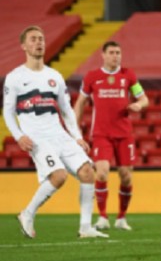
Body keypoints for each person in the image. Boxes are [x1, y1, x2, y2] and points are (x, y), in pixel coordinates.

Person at [2, 26, 108, 239]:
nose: (38, 42)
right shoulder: (15, 77)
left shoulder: (55, 76)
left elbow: (67, 111)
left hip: (59, 134)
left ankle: (85, 227)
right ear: (23, 46)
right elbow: (8, 111)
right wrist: (19, 136)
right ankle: (27, 214)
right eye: (33, 39)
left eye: (41, 39)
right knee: (59, 176)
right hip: (37, 138)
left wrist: (77, 137)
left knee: (88, 172)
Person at [73, 41, 149, 231]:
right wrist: (75, 130)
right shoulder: (92, 77)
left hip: (124, 134)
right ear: (103, 55)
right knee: (102, 172)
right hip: (101, 134)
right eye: (112, 52)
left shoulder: (128, 75)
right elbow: (80, 102)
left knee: (126, 176)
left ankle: (121, 218)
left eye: (118, 53)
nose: (116, 56)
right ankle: (103, 217)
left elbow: (143, 98)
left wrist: (139, 105)